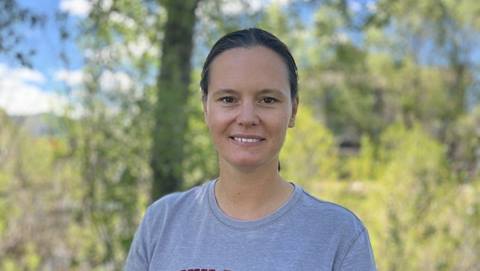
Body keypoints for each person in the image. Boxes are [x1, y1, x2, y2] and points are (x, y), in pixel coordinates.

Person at [125, 28, 376, 271]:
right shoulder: (162, 222)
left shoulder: (340, 236)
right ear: (205, 108)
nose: (246, 118)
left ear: (293, 110)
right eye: (228, 99)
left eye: (267, 100)